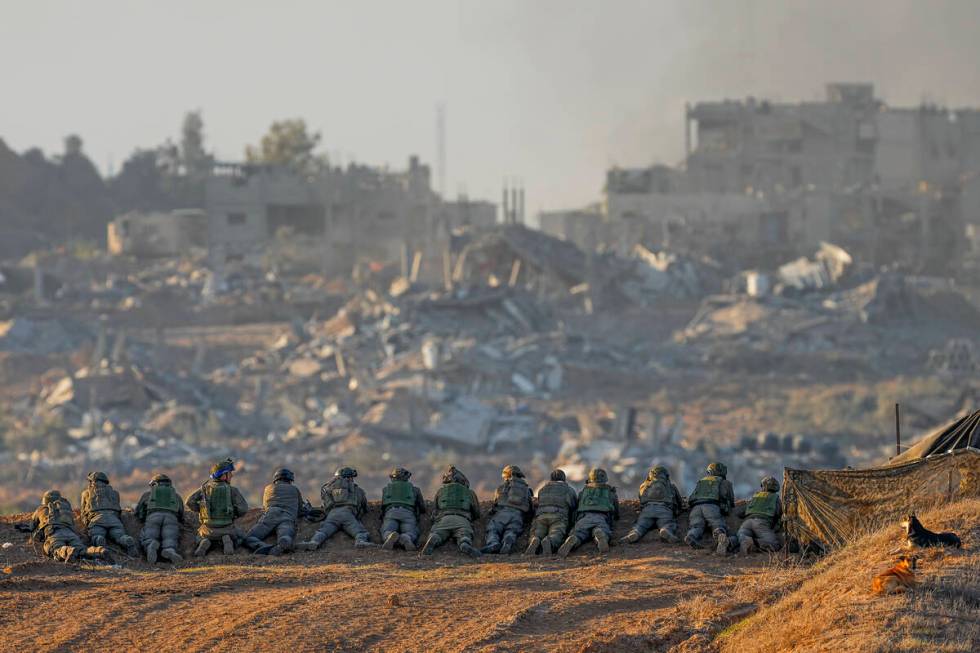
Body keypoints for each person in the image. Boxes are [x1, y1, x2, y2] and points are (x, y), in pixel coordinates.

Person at [297, 467, 373, 550]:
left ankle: (314, 542)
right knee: (360, 532)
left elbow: (326, 506)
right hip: (348, 515)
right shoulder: (357, 490)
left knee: (322, 532)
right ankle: (361, 541)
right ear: (350, 477)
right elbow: (364, 507)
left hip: (332, 515)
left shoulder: (328, 488)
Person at [185, 458, 249, 556]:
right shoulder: (232, 490)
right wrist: (233, 513)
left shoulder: (204, 489)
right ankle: (227, 540)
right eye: (229, 473)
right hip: (227, 528)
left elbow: (189, 502)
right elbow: (243, 509)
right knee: (242, 537)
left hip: (208, 530)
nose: (231, 475)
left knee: (199, 536)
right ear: (223, 476)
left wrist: (202, 510)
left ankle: (205, 542)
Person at [30, 490, 109, 562]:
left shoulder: (41, 509)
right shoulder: (66, 508)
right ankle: (99, 551)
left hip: (55, 534)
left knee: (54, 549)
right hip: (71, 534)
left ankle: (68, 551)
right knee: (82, 550)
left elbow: (31, 526)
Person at [420, 466, 482, 558]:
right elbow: (477, 512)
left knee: (438, 533)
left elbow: (435, 510)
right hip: (462, 520)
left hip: (444, 519)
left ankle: (434, 538)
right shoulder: (470, 492)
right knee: (464, 535)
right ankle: (464, 544)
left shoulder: (440, 491)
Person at [557, 468, 619, 558]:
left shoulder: (584, 491)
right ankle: (599, 534)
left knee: (579, 533)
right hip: (601, 517)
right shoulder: (610, 492)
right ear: (605, 479)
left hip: (584, 517)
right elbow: (615, 509)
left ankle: (574, 539)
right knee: (603, 530)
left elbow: (576, 507)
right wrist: (616, 517)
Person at [244, 468, 304, 556]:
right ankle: (281, 545)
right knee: (286, 536)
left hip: (271, 515)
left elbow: (265, 507)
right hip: (287, 518)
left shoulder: (268, 488)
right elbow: (300, 510)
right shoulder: (294, 489)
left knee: (249, 537)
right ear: (290, 480)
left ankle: (263, 546)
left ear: (276, 479)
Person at [619, 465, 682, 545]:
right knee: (668, 524)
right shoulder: (671, 486)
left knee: (640, 526)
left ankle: (635, 533)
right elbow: (679, 502)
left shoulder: (644, 486)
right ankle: (665, 530)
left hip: (647, 511)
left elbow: (641, 499)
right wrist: (678, 511)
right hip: (665, 510)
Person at [80, 471, 138, 556]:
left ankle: (99, 540)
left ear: (92, 482)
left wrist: (87, 524)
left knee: (97, 535)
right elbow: (118, 510)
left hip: (97, 520)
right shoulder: (115, 493)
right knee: (119, 535)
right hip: (114, 520)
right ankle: (126, 540)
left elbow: (83, 513)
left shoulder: (86, 493)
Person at [684, 462, 735, 555]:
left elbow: (691, 498)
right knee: (717, 524)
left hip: (696, 508)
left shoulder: (701, 481)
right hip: (711, 506)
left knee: (696, 526)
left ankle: (691, 535)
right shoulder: (725, 482)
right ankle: (720, 538)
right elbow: (730, 499)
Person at [482, 465, 533, 555]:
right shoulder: (526, 490)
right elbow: (530, 509)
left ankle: (493, 542)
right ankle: (508, 539)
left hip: (502, 514)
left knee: (493, 529)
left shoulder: (500, 488)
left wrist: (491, 512)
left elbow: (495, 505)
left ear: (506, 476)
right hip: (518, 516)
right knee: (512, 531)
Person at [525, 469, 578, 556]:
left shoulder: (542, 489)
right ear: (564, 479)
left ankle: (535, 540)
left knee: (537, 532)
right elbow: (573, 505)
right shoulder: (569, 490)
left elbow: (539, 502)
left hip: (541, 516)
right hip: (558, 516)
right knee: (556, 533)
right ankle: (549, 541)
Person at [134, 473, 185, 563]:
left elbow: (139, 510)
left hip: (153, 517)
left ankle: (150, 544)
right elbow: (181, 512)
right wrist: (179, 520)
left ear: (154, 483)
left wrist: (142, 518)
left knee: (149, 536)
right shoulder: (176, 495)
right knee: (170, 538)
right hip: (171, 518)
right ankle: (169, 550)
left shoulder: (148, 494)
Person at [380, 467, 427, 551]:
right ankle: (406, 537)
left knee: (386, 530)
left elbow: (383, 506)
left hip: (391, 512)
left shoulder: (385, 489)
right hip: (408, 513)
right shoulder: (415, 489)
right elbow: (422, 507)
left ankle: (389, 536)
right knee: (411, 532)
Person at [736, 476, 783, 554]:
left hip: (747, 522)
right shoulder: (775, 498)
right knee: (774, 545)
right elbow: (778, 513)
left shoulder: (755, 496)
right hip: (761, 523)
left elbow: (742, 511)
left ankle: (730, 541)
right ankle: (754, 542)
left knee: (741, 537)